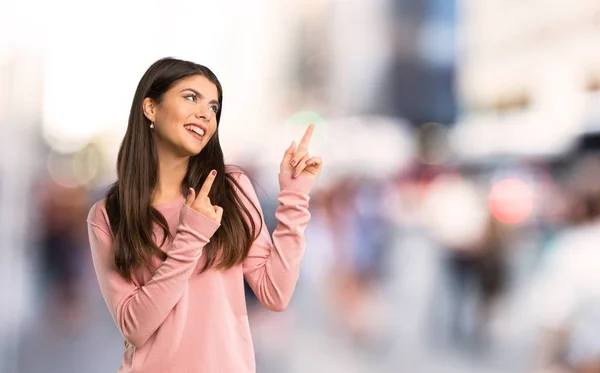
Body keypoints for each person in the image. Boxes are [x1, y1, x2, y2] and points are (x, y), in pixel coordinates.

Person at [86, 57, 323, 373]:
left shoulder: (231, 189)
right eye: (190, 97)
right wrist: (191, 236)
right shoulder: (109, 215)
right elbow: (134, 326)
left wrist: (294, 196)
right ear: (150, 108)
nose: (205, 114)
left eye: (213, 107)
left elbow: (275, 293)